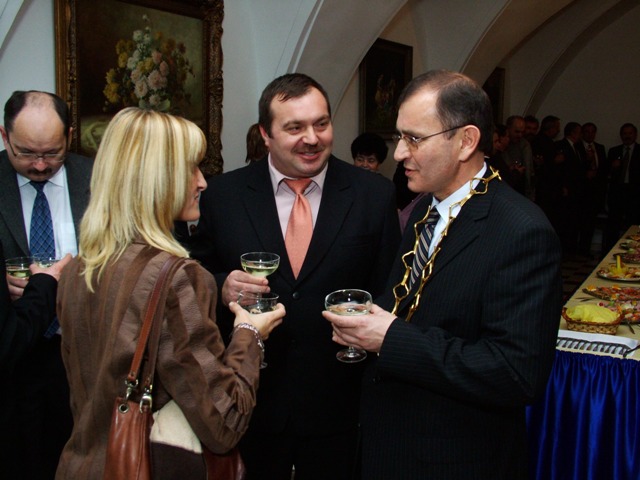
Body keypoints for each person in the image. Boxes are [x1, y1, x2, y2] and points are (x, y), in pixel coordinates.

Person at [324, 70, 562, 479]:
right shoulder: (425, 207)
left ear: (466, 141)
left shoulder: (521, 231)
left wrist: (390, 338)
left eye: (414, 138)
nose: (400, 153)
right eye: (400, 137)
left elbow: (515, 374)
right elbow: (413, 302)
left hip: (454, 459)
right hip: (389, 443)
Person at [55, 107, 285, 479]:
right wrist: (250, 334)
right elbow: (224, 423)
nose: (202, 182)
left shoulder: (77, 270)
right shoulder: (177, 277)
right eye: (191, 169)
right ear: (156, 180)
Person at [192, 73, 401, 479]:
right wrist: (221, 286)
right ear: (265, 135)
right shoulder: (224, 195)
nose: (312, 138)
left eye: (321, 124)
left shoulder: (372, 195)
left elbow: (389, 287)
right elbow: (194, 272)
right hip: (251, 397)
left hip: (339, 400)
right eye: (294, 128)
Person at [0, 90, 93, 479]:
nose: (40, 165)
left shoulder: (97, 177)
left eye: (52, 153)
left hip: (85, 353)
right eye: (25, 153)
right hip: (14, 363)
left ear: (69, 136)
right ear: (4, 137)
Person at [605, 123, 640, 251]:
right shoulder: (614, 151)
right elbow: (605, 172)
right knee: (613, 225)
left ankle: (633, 252)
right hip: (617, 193)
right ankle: (609, 251)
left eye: (630, 133)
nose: (627, 136)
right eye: (625, 133)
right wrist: (612, 167)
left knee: (633, 225)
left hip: (635, 194)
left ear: (635, 135)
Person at [576, 122, 608, 257]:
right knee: (579, 222)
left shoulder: (600, 148)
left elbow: (603, 170)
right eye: (587, 132)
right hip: (581, 191)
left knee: (591, 223)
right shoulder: (577, 147)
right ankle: (576, 249)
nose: (590, 134)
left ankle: (586, 249)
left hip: (595, 192)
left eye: (592, 132)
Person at [502, 115, 534, 198]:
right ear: (508, 129)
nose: (520, 135)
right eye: (516, 132)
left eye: (522, 132)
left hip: (518, 189)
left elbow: (528, 170)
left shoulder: (524, 145)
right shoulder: (500, 144)